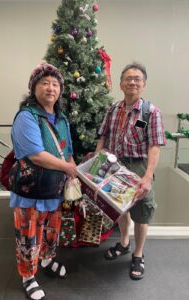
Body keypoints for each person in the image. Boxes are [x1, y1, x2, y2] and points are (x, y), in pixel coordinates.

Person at [10, 63, 77, 300]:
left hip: (55, 190)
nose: (51, 88)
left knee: (51, 231)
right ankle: (28, 276)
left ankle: (47, 261)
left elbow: (67, 150)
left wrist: (71, 167)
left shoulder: (62, 119)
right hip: (30, 190)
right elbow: (36, 154)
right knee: (28, 235)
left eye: (55, 84)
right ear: (34, 88)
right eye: (45, 83)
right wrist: (68, 167)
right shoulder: (26, 116)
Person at [95, 62, 166, 280]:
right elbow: (103, 136)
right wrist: (97, 164)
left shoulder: (150, 112)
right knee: (120, 208)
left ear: (143, 85)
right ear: (121, 84)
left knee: (142, 213)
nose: (132, 82)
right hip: (115, 166)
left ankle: (138, 253)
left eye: (137, 79)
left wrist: (147, 177)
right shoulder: (113, 109)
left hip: (139, 166)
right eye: (128, 78)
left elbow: (155, 145)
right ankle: (124, 243)